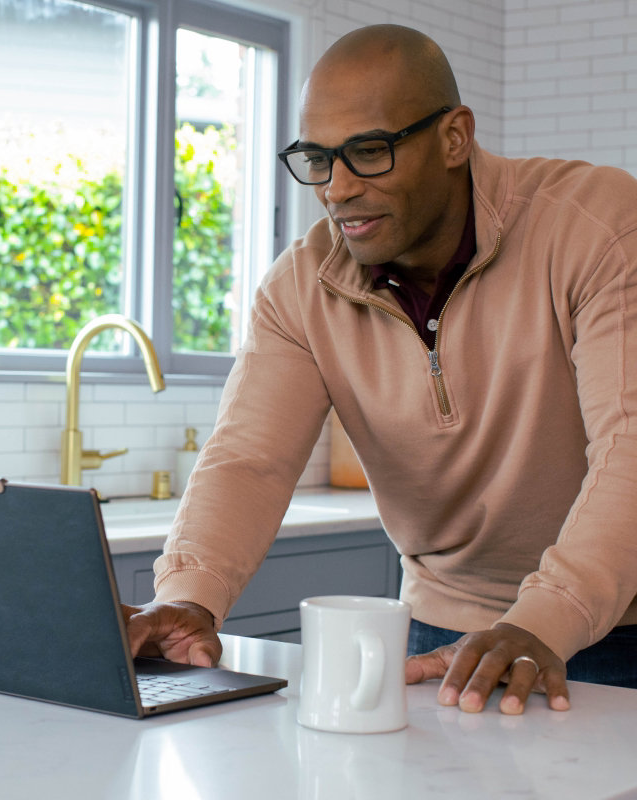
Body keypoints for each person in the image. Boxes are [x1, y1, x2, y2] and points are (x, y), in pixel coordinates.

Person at [124, 24, 637, 715]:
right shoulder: (300, 287)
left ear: (454, 138)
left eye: (369, 152)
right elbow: (250, 459)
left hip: (615, 628)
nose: (336, 189)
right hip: (439, 629)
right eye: (318, 160)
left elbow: (629, 445)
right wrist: (188, 595)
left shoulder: (599, 226)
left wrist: (543, 619)